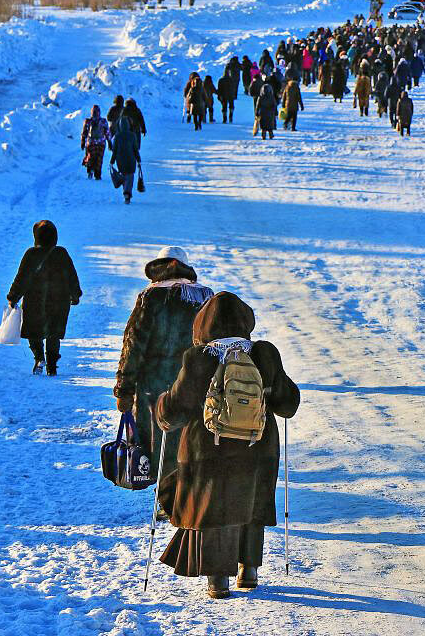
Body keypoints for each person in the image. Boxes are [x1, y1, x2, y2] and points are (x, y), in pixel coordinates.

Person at [153, 292, 300, 599]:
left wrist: (161, 406)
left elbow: (177, 408)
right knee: (252, 503)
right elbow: (287, 404)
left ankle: (217, 580)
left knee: (212, 508)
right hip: (257, 447)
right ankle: (249, 571)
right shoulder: (264, 354)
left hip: (207, 451)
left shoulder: (199, 358)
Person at [114, 247, 214, 468]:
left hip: (154, 389)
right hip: (194, 386)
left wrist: (124, 389)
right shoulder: (205, 297)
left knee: (159, 450)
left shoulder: (150, 296)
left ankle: (163, 496)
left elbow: (133, 346)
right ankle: (183, 494)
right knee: (189, 446)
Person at [6, 220, 81, 375]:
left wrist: (13, 297)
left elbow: (22, 278)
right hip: (59, 301)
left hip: (35, 300)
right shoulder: (61, 253)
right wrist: (75, 294)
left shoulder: (31, 254)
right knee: (54, 333)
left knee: (34, 331)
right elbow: (71, 276)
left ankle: (39, 358)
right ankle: (52, 366)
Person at [110, 117, 141, 204]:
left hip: (120, 161)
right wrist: (139, 160)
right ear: (128, 125)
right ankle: (127, 193)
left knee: (124, 176)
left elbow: (114, 151)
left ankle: (126, 192)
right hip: (131, 160)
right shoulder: (132, 135)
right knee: (130, 177)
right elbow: (135, 149)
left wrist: (112, 161)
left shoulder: (117, 136)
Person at [80, 104, 110, 180]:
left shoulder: (87, 121)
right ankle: (98, 174)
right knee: (99, 159)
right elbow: (107, 133)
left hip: (91, 143)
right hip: (101, 144)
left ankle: (90, 170)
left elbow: (84, 133)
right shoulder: (103, 121)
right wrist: (110, 142)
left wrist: (83, 142)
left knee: (90, 157)